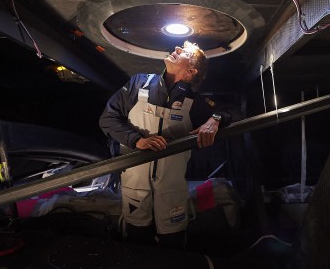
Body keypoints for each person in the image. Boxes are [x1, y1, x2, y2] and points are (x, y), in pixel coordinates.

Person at [99, 41, 235, 249]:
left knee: (173, 243)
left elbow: (231, 111)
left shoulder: (194, 102)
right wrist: (137, 140)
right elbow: (108, 119)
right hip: (134, 187)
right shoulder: (138, 84)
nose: (177, 49)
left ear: (191, 70)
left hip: (172, 191)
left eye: (184, 52)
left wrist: (214, 119)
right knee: (135, 240)